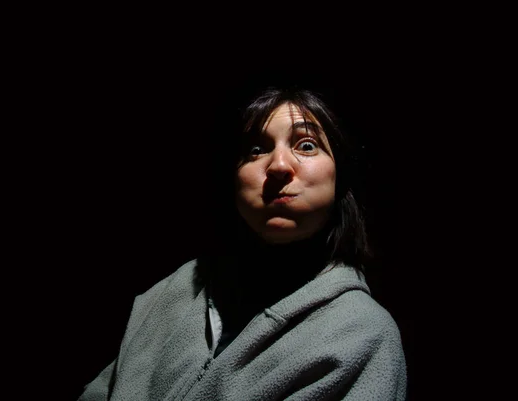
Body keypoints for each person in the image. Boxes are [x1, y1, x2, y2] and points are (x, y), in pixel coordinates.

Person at [77, 85, 407, 400]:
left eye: (306, 145)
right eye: (256, 149)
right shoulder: (171, 293)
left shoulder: (362, 334)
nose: (278, 165)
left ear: (339, 175)